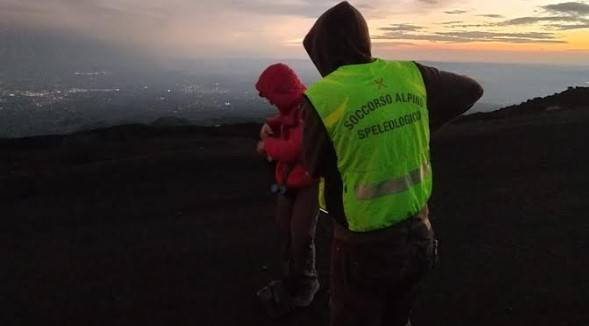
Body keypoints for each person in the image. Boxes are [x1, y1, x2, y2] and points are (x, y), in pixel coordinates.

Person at [300, 2, 483, 326]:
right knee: (398, 317)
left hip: (363, 247)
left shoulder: (323, 96)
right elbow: (471, 90)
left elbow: (313, 166)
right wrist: (414, 125)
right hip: (419, 233)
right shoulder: (409, 74)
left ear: (323, 51)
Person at [255, 63, 320, 310]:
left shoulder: (306, 110)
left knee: (301, 235)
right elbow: (285, 116)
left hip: (307, 184)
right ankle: (291, 279)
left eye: (272, 96)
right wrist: (272, 123)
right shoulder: (296, 106)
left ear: (282, 92)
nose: (271, 102)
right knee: (286, 232)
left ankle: (307, 283)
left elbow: (296, 148)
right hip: (288, 182)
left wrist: (267, 146)